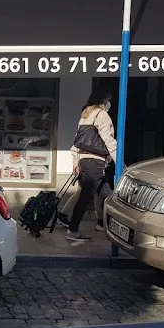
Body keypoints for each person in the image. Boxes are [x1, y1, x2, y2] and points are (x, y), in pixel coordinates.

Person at [66, 90, 117, 242]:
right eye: (108, 99)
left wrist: (75, 162)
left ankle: (73, 229)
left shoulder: (85, 115)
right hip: (95, 161)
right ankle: (117, 231)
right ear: (103, 100)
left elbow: (77, 142)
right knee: (109, 198)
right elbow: (109, 141)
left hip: (84, 161)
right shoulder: (102, 115)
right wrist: (120, 162)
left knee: (85, 196)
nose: (109, 103)